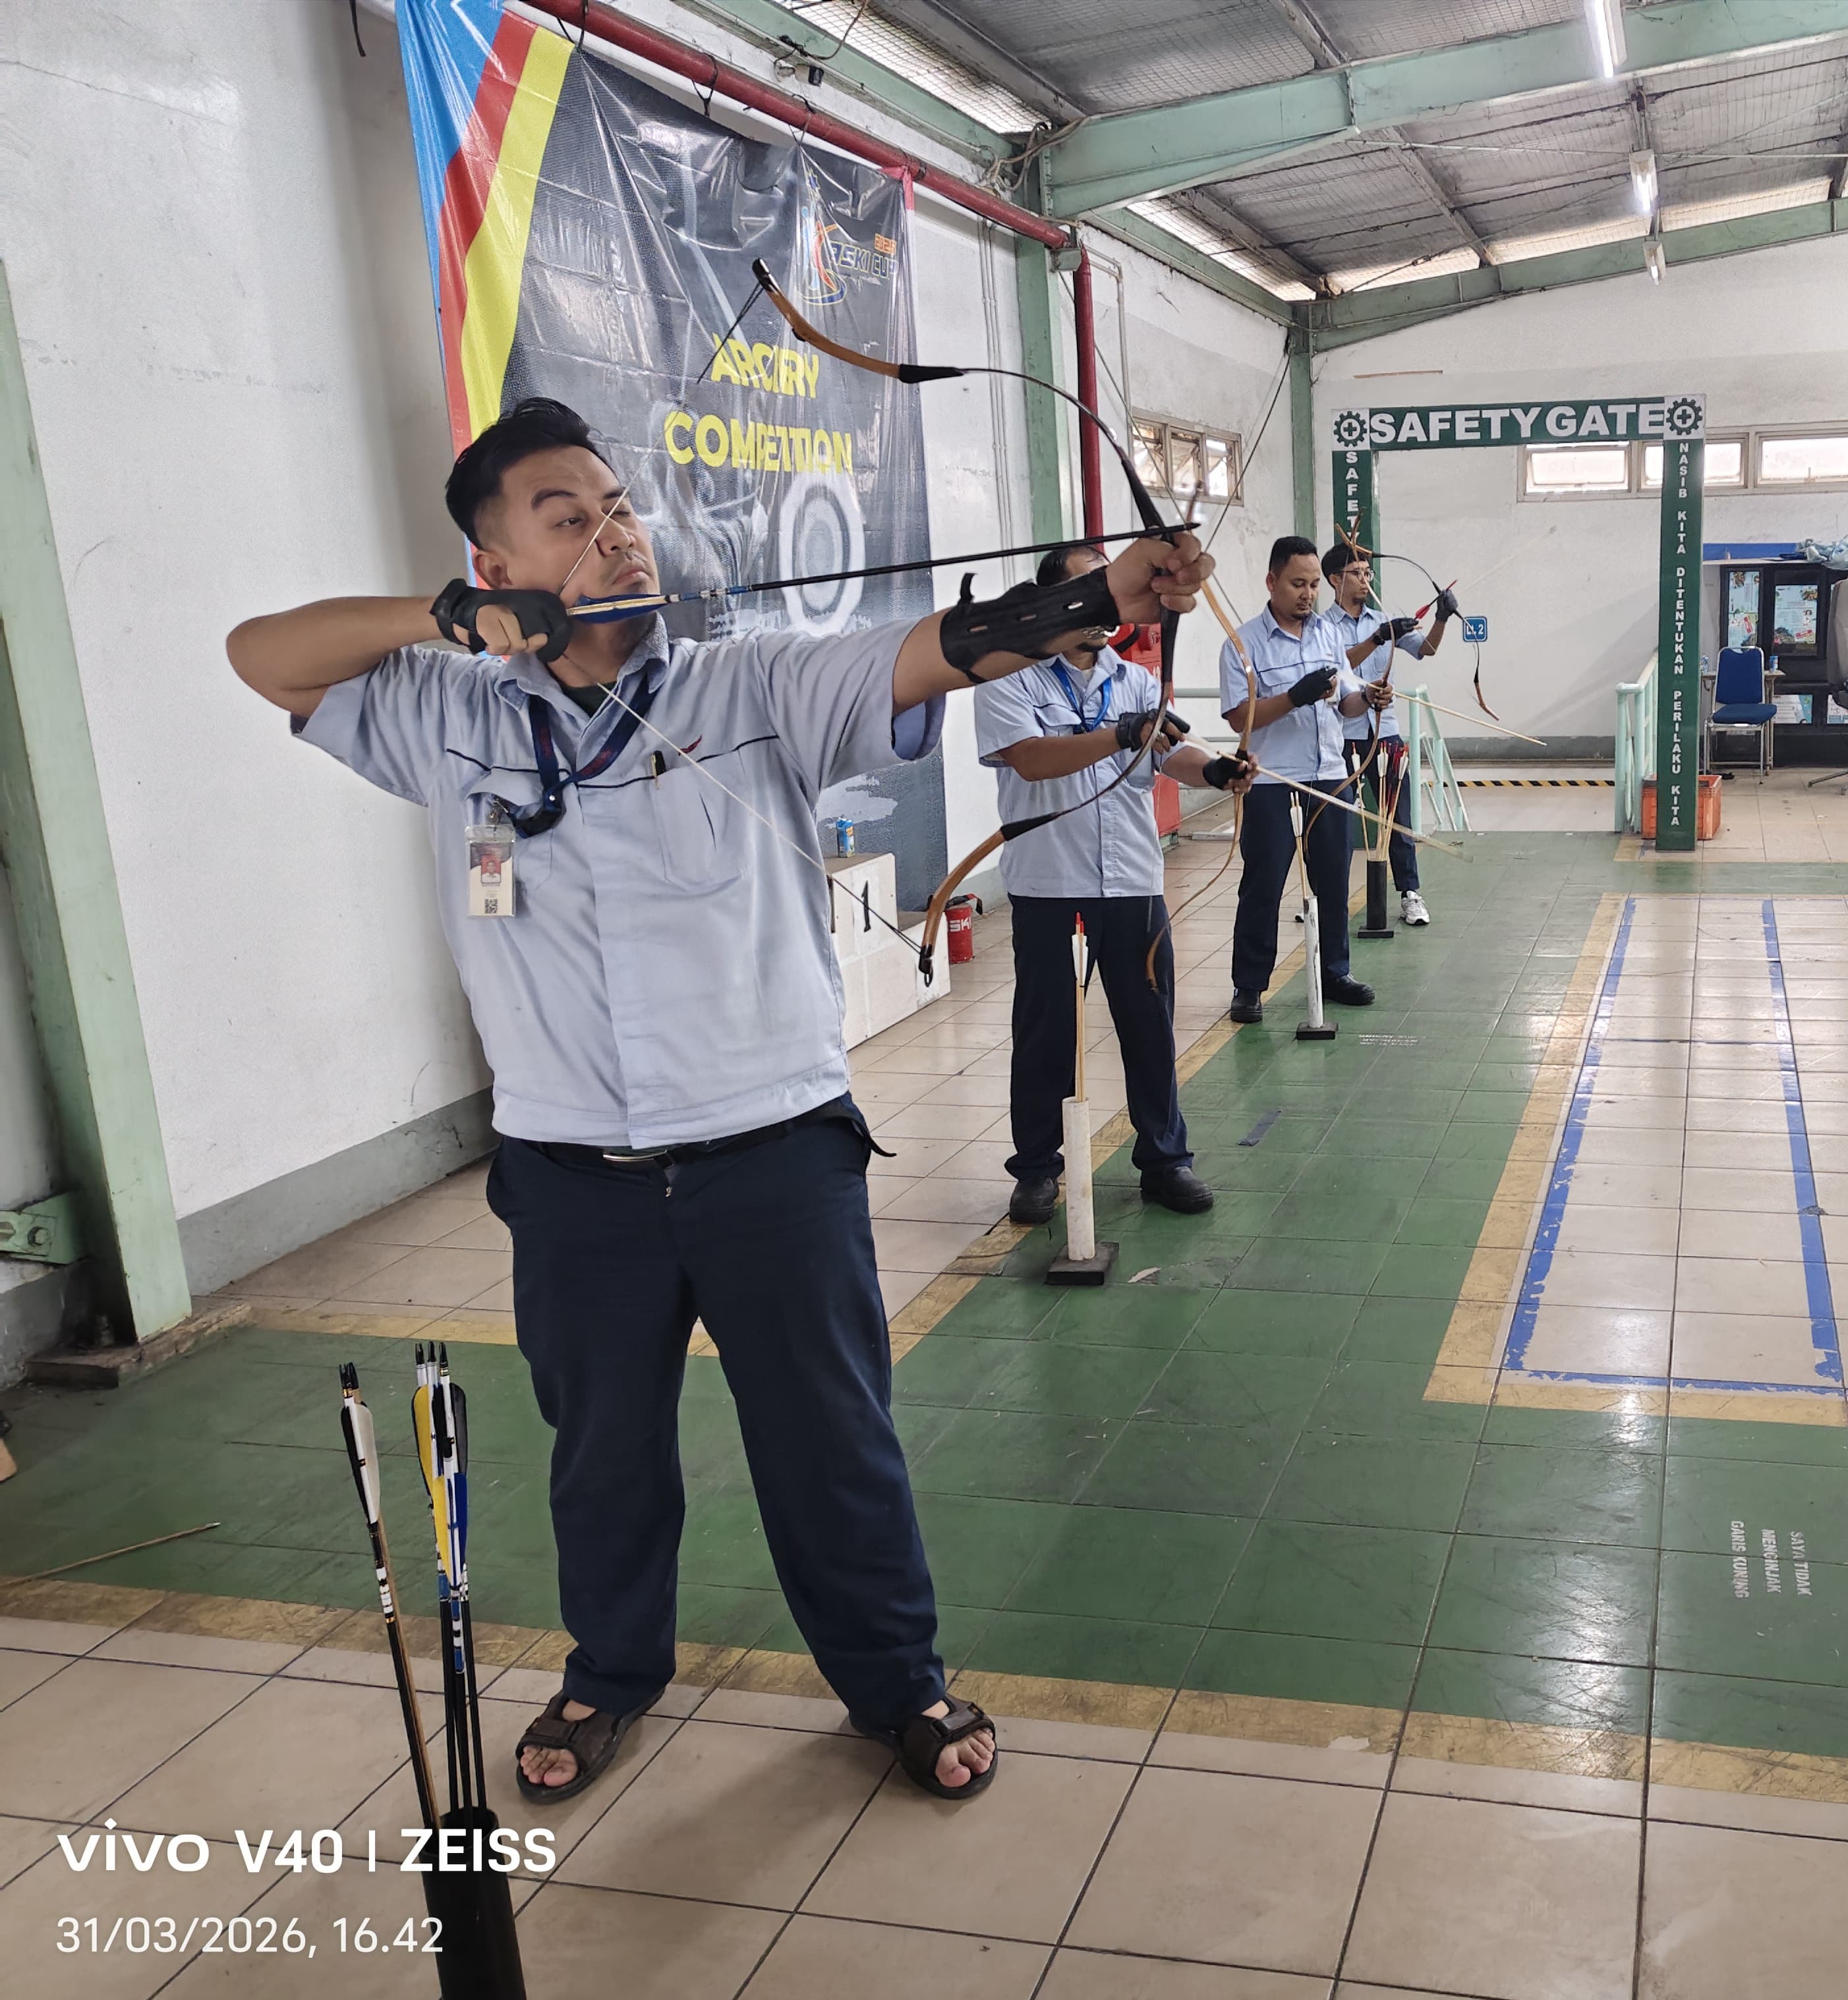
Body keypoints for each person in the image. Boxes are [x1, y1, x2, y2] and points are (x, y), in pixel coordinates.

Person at [225, 397, 1211, 1806]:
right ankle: (609, 1668)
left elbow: (940, 647)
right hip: (573, 1172)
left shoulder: (747, 687)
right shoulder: (439, 710)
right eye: (564, 516)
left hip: (771, 1154)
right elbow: (259, 657)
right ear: (490, 552)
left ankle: (896, 1678)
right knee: (602, 1451)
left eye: (616, 506)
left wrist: (1100, 596)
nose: (610, 531)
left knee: (830, 1440)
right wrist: (458, 622)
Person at [977, 544, 1252, 1224]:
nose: (1105, 602)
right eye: (1087, 589)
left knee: (1149, 1027)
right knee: (1045, 1034)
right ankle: (1038, 1169)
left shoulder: (1133, 679)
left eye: (1109, 586)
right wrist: (1119, 734)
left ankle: (1165, 1159)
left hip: (1131, 879)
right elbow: (1030, 759)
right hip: (1049, 885)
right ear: (1051, 603)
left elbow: (1166, 750)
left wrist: (1212, 771)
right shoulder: (1009, 679)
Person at [1221, 534, 1375, 1023]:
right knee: (1263, 885)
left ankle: (1334, 971)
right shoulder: (1242, 643)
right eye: (1297, 584)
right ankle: (1249, 986)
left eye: (1313, 585)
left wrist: (1368, 697)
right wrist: (1294, 696)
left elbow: (1347, 700)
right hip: (1271, 782)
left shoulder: (1330, 635)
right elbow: (1239, 717)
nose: (1308, 594)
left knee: (1333, 882)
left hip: (1330, 775)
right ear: (1271, 582)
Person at [1321, 542, 1454, 926]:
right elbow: (1336, 665)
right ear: (1334, 580)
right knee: (1336, 820)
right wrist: (1379, 638)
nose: (1365, 580)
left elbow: (1426, 648)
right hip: (1340, 736)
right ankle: (1327, 895)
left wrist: (1442, 617)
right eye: (1356, 573)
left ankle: (1410, 893)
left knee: (1398, 816)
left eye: (1368, 572)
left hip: (1385, 733)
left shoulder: (1384, 619)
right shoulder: (1322, 628)